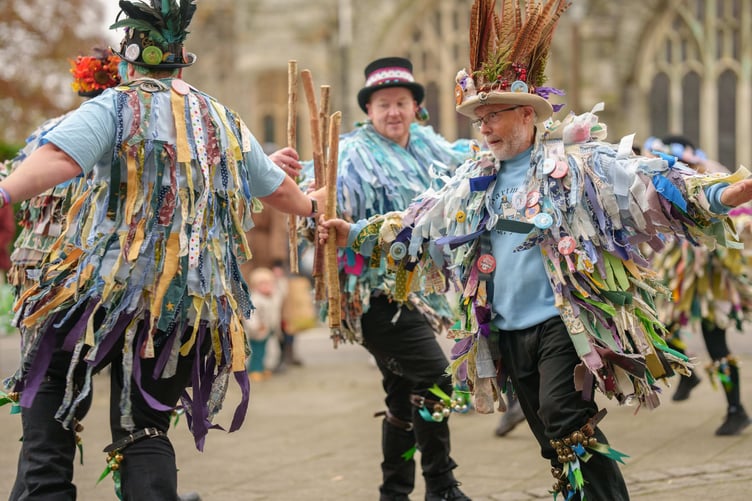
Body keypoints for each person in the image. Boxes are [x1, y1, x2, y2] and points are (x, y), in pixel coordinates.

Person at [317, 1, 752, 498]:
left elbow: (649, 186)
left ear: (526, 113)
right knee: (553, 440)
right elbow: (418, 222)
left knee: (565, 417)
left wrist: (725, 193)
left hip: (562, 321)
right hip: (505, 328)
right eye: (478, 116)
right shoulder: (472, 178)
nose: (482, 126)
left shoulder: (577, 164)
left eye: (493, 114)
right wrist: (351, 233)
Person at [0, 1, 323, 499]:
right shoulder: (223, 119)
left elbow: (60, 157)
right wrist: (312, 206)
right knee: (144, 429)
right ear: (181, 58)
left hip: (98, 294)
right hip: (182, 306)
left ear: (126, 62)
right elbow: (277, 190)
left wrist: (3, 192)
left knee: (51, 393)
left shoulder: (115, 105)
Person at [303, 57, 473, 501]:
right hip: (372, 296)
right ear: (368, 111)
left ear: (417, 107)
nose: (393, 112)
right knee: (437, 378)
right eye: (383, 104)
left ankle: (394, 492)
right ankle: (442, 485)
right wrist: (310, 201)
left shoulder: (435, 149)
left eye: (401, 102)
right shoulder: (352, 153)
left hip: (419, 295)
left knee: (404, 396)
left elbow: (474, 172)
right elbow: (318, 193)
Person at [645, 135, 752, 436]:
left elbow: (738, 217)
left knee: (716, 343)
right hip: (678, 276)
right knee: (661, 327)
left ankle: (735, 408)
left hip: (711, 281)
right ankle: (687, 374)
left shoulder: (711, 176)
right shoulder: (667, 179)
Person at [242, 267, 282, 382]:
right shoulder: (254, 299)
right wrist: (256, 326)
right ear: (255, 286)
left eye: (269, 284)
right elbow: (250, 316)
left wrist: (278, 278)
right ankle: (255, 369)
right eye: (262, 284)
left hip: (270, 329)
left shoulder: (274, 297)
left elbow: (282, 291)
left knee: (269, 350)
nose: (266, 287)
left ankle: (264, 367)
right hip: (257, 332)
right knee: (256, 351)